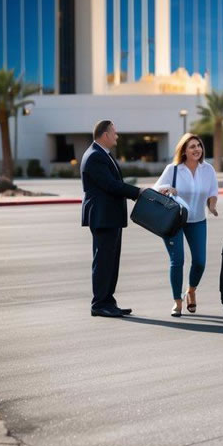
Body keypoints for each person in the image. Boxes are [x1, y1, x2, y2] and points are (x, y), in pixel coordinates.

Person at [81, 120, 141, 318]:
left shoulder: (102, 155)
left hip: (110, 217)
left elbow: (113, 184)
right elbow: (111, 185)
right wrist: (138, 192)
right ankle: (99, 303)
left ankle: (108, 301)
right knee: (104, 261)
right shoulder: (95, 157)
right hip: (103, 217)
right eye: (114, 133)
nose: (117, 136)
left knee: (111, 261)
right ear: (105, 135)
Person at [155, 133, 219, 317]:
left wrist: (212, 207)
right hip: (174, 222)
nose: (196, 149)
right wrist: (167, 189)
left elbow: (212, 191)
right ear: (183, 150)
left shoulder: (207, 170)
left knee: (199, 261)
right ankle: (177, 301)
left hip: (198, 219)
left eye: (198, 145)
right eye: (192, 146)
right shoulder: (173, 169)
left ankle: (191, 291)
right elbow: (156, 188)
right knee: (178, 261)